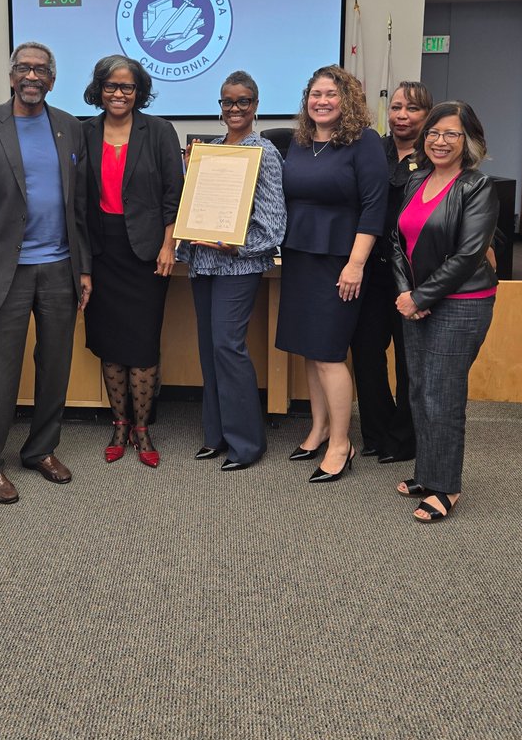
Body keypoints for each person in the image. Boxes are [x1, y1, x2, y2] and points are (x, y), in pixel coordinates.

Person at [0, 41, 92, 505]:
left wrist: (84, 270)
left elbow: (79, 208)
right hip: (2, 271)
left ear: (52, 80)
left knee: (55, 365)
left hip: (59, 267)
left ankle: (40, 450)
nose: (32, 76)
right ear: (12, 75)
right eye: (24, 68)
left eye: (41, 70)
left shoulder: (71, 128)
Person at [276, 65, 387, 483]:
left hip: (341, 260)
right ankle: (319, 428)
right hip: (301, 256)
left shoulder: (364, 143)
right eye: (315, 94)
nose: (322, 101)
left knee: (329, 353)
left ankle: (342, 443)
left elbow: (374, 207)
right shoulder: (301, 143)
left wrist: (356, 263)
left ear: (347, 100)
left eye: (331, 94)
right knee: (309, 348)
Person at [391, 100, 498, 522]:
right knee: (420, 390)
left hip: (461, 304)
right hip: (417, 302)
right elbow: (396, 241)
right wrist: (405, 291)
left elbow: (470, 255)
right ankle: (428, 471)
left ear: (467, 140)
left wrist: (420, 297)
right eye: (434, 133)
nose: (440, 141)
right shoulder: (415, 182)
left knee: (443, 394)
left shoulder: (477, 187)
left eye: (451, 134)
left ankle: (446, 486)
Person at [178, 71, 286, 471]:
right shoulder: (208, 151)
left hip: (237, 264)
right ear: (219, 106)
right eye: (227, 102)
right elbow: (195, 207)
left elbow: (275, 224)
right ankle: (216, 435)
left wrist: (236, 244)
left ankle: (246, 444)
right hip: (203, 263)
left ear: (255, 105)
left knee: (228, 346)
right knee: (209, 350)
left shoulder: (265, 152)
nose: (235, 108)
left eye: (243, 101)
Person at [82, 55, 184, 467]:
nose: (119, 94)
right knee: (110, 344)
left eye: (127, 87)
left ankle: (142, 428)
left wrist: (168, 245)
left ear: (139, 91)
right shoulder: (83, 131)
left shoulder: (158, 131)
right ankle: (119, 423)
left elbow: (172, 195)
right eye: (111, 86)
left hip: (145, 252)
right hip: (101, 250)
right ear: (99, 90)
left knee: (142, 345)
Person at [350, 81, 433, 464]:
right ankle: (377, 433)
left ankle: (404, 438)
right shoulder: (373, 149)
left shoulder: (435, 156)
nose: (402, 115)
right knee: (366, 353)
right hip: (370, 269)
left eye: (412, 109)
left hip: (412, 276)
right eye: (397, 107)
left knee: (408, 358)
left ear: (427, 114)